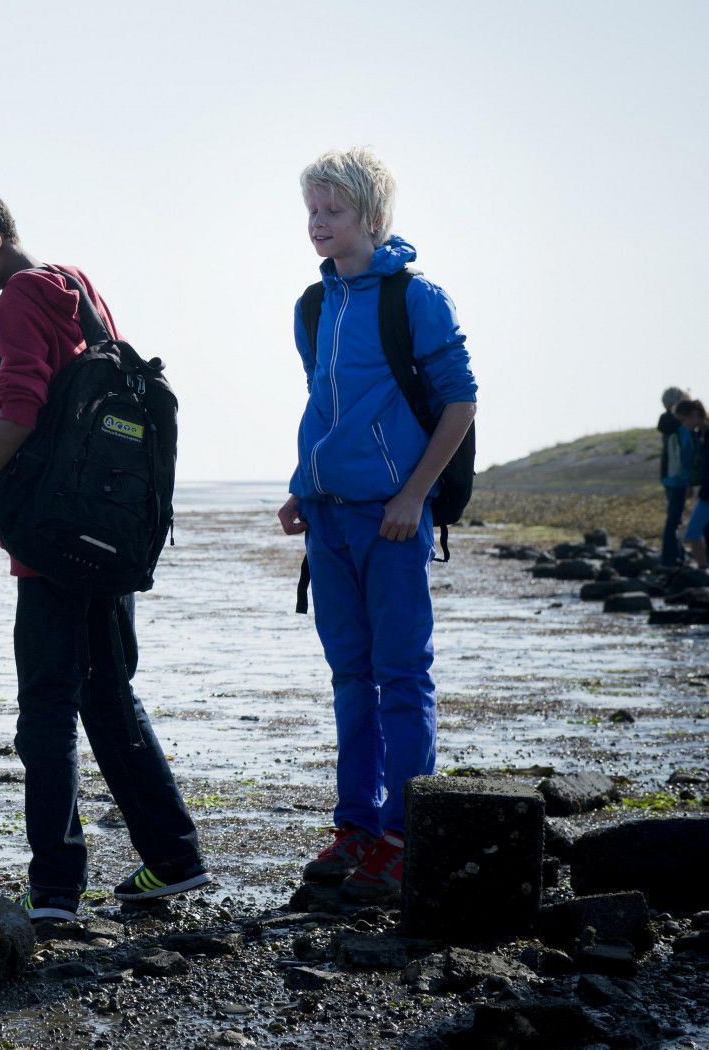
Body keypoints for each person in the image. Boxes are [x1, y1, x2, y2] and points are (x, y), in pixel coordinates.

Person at [0, 184, 207, 923]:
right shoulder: (76, 287)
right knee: (107, 695)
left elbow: (18, 412)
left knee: (46, 709)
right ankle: (173, 859)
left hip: (54, 547)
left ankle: (55, 891)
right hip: (108, 537)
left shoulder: (18, 298)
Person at [276, 149, 477, 905]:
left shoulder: (417, 298)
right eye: (313, 211)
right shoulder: (312, 306)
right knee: (348, 678)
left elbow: (460, 403)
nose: (318, 224)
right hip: (327, 517)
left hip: (393, 519)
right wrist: (305, 485)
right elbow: (324, 406)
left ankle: (402, 833)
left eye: (333, 211)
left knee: (402, 675)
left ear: (371, 217)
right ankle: (356, 826)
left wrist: (411, 498)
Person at [660, 387, 694, 567]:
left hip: (669, 477)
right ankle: (670, 558)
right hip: (678, 478)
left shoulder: (666, 423)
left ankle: (675, 555)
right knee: (675, 518)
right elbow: (685, 454)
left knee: (675, 517)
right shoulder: (679, 425)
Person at [674, 399, 709, 568]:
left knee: (693, 532)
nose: (683, 425)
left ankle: (703, 572)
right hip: (706, 490)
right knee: (697, 532)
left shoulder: (704, 434)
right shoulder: (699, 435)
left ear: (694, 415)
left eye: (683, 420)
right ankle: (704, 571)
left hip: (708, 494)